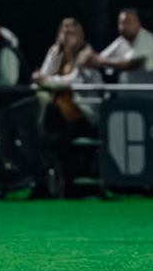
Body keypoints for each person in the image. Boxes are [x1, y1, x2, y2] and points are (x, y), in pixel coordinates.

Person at [32, 17, 102, 197]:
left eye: (72, 32)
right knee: (50, 132)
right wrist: (45, 80)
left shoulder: (87, 54)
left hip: (82, 112)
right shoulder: (55, 52)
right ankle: (53, 182)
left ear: (80, 36)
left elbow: (74, 80)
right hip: (58, 112)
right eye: (64, 31)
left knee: (61, 138)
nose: (67, 36)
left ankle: (69, 185)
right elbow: (45, 76)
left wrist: (48, 81)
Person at [85, 7, 153, 84]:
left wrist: (103, 62)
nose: (125, 27)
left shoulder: (147, 38)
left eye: (129, 22)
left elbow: (133, 64)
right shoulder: (121, 41)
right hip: (130, 96)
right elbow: (99, 59)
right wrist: (89, 55)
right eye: (121, 23)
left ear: (138, 23)